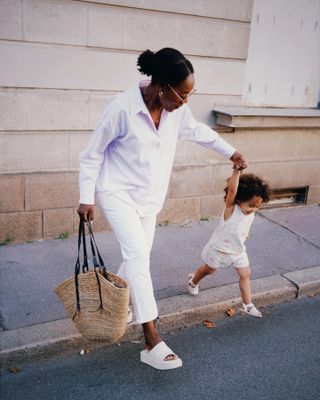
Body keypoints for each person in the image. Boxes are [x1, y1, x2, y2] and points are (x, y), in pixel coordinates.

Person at [77, 47, 247, 370]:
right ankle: (151, 338)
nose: (185, 102)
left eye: (189, 96)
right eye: (182, 94)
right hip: (117, 193)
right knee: (139, 255)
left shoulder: (176, 112)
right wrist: (86, 196)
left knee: (137, 256)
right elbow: (92, 154)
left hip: (149, 199)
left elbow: (199, 132)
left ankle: (122, 304)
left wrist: (231, 152)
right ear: (161, 85)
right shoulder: (122, 108)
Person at [188, 167, 270, 318]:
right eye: (251, 205)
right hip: (220, 250)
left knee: (245, 274)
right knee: (209, 270)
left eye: (257, 207)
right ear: (239, 199)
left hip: (238, 251)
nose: (253, 209)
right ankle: (193, 281)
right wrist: (236, 172)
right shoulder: (231, 208)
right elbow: (232, 191)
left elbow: (244, 226)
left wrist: (245, 234)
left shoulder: (250, 214)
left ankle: (248, 305)